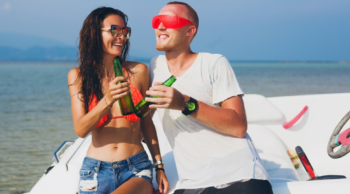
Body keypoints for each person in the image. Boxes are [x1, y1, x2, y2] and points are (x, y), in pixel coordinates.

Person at [145, 2, 273, 194]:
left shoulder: (213, 63)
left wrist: (184, 103)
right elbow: (142, 120)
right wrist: (158, 166)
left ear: (190, 30)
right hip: (191, 183)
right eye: (157, 21)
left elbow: (238, 126)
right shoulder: (154, 67)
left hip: (239, 176)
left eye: (169, 20)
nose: (160, 27)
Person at [67, 7, 169, 194]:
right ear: (94, 34)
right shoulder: (78, 77)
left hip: (136, 167)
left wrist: (159, 166)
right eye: (115, 30)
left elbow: (146, 122)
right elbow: (80, 129)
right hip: (95, 170)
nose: (121, 37)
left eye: (125, 31)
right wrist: (107, 100)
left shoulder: (138, 71)